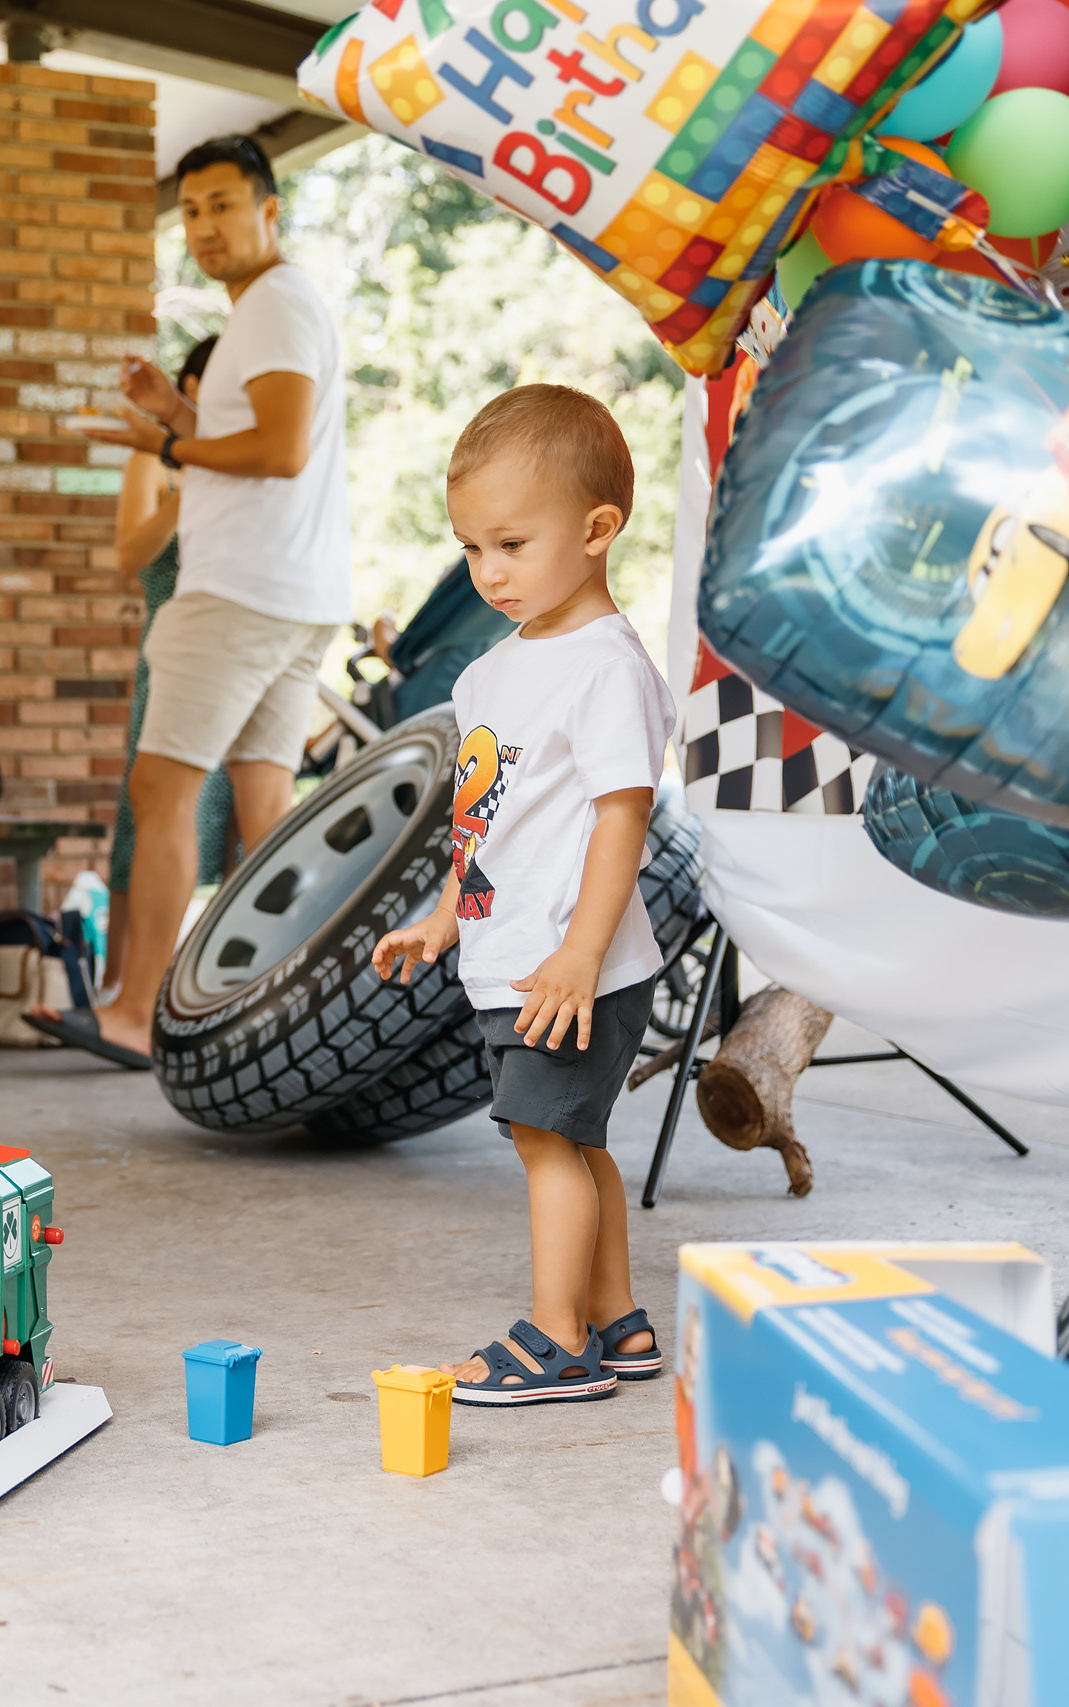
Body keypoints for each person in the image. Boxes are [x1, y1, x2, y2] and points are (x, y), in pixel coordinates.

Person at [370, 385, 676, 1406]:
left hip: (572, 968)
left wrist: (581, 954)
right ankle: (618, 1322)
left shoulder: (605, 670)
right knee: (572, 1141)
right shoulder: (489, 677)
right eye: (470, 548)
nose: (488, 572)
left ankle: (556, 1339)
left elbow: (621, 821)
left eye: (510, 544)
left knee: (548, 1145)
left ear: (596, 530)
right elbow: (486, 821)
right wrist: (444, 914)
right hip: (513, 959)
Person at [44, 133, 351, 1067]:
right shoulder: (277, 307)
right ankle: (282, 1016)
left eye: (223, 205)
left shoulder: (271, 303)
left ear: (270, 209)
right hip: (296, 591)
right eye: (190, 211)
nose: (205, 226)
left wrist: (168, 446)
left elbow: (280, 451)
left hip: (238, 590)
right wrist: (175, 415)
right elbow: (254, 440)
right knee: (265, 809)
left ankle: (134, 1010)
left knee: (162, 791)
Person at [99, 337, 233, 996]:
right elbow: (130, 555)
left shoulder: (246, 460)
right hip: (172, 650)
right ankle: (120, 981)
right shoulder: (153, 458)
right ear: (191, 387)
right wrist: (191, 483)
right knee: (147, 813)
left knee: (229, 821)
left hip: (237, 653)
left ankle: (213, 988)